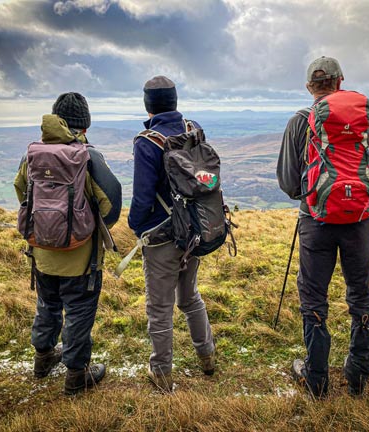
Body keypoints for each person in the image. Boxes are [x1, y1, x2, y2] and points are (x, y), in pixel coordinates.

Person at [277, 57, 369, 398]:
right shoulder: (367, 120)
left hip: (315, 220)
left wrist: (311, 196)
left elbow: (288, 180)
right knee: (360, 294)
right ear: (340, 82)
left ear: (310, 86)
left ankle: (316, 378)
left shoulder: (300, 122)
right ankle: (357, 375)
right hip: (360, 222)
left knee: (313, 297)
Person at [14, 92, 122, 395]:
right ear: (84, 127)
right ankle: (77, 375)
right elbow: (111, 203)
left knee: (47, 305)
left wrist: (45, 226)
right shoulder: (88, 156)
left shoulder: (33, 154)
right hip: (81, 256)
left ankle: (43, 359)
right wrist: (87, 228)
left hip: (41, 253)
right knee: (78, 312)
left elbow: (21, 190)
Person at [128, 76, 216, 392]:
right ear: (175, 101)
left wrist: (136, 227)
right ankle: (207, 356)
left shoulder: (147, 141)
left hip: (162, 236)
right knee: (189, 295)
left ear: (147, 104)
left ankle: (162, 374)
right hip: (195, 230)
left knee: (160, 307)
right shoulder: (192, 129)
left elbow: (142, 196)